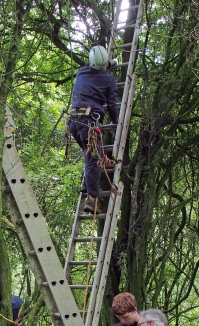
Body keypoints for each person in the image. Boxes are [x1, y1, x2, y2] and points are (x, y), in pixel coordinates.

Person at [69, 45, 118, 214]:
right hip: (89, 123)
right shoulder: (109, 80)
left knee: (88, 153)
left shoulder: (82, 72)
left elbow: (95, 70)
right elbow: (111, 104)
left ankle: (86, 184)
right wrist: (115, 119)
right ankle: (92, 200)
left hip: (75, 122)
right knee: (94, 161)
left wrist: (110, 64)